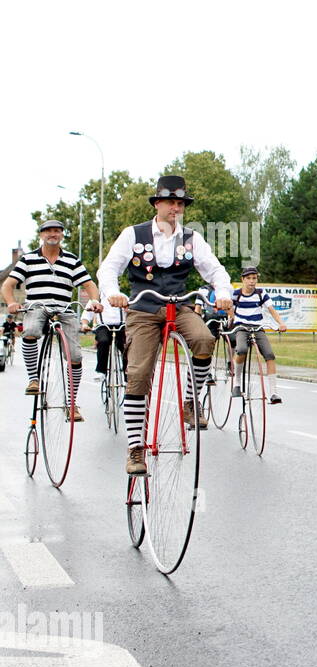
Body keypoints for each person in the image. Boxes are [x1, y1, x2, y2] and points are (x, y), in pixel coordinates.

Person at [97, 175, 234, 475]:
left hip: (178, 304)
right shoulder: (133, 234)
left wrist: (223, 294)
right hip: (143, 307)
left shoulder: (191, 238)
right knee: (139, 374)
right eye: (170, 202)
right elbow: (108, 268)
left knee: (203, 339)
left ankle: (190, 401)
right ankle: (136, 448)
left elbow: (215, 270)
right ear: (157, 203)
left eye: (180, 203)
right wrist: (113, 293)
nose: (176, 207)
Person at [2, 219, 101, 420]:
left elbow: (90, 285)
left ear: (62, 235)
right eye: (48, 231)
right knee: (30, 330)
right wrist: (12, 303)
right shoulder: (27, 259)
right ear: (41, 235)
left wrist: (94, 300)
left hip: (64, 309)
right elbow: (7, 285)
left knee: (75, 355)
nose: (52, 234)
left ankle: (72, 403)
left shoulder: (72, 260)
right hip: (36, 306)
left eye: (57, 231)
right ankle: (33, 380)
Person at [228, 267, 287, 404]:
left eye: (254, 278)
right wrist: (233, 318)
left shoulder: (261, 293)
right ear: (243, 279)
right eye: (248, 278)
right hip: (241, 327)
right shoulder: (236, 294)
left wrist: (281, 323)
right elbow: (229, 309)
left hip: (257, 327)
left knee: (270, 355)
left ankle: (273, 392)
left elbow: (272, 310)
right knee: (241, 349)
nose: (252, 281)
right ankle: (236, 383)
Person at [80, 298, 126, 383]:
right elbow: (86, 314)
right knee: (103, 341)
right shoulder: (96, 298)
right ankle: (101, 371)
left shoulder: (121, 296)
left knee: (126, 345)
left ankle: (128, 374)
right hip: (103, 326)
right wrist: (85, 324)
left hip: (121, 325)